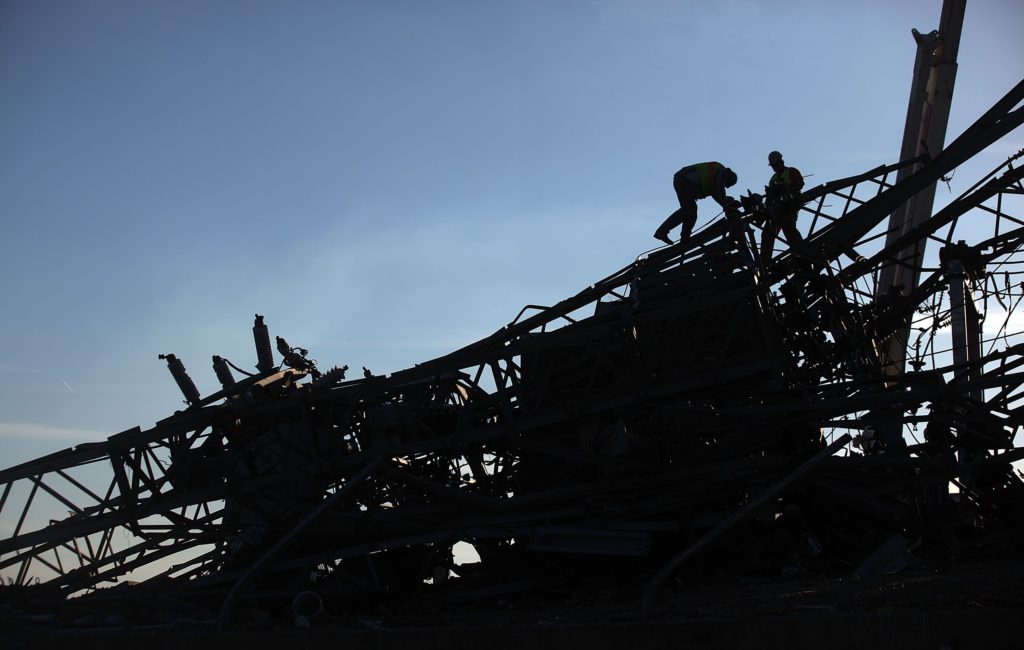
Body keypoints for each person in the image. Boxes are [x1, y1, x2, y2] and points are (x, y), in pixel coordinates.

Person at [654, 162, 738, 248]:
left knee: (691, 212)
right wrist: (727, 206)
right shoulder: (722, 172)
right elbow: (719, 191)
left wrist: (726, 205)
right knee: (689, 209)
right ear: (728, 178)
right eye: (725, 184)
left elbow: (717, 195)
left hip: (684, 180)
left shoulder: (715, 175)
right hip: (684, 179)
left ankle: (684, 238)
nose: (724, 185)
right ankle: (664, 232)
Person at [761, 150, 806, 263]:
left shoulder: (791, 171)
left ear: (781, 162)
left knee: (789, 228)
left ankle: (801, 254)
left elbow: (799, 184)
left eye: (775, 164)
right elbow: (769, 198)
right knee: (768, 233)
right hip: (777, 210)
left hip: (790, 207)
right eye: (772, 166)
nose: (774, 167)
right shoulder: (773, 179)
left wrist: (786, 188)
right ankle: (764, 262)